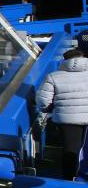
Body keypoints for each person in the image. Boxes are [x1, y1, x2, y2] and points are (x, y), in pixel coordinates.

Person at [36, 49, 88, 180]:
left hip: (67, 118)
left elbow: (42, 100)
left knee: (70, 149)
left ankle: (69, 178)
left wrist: (49, 109)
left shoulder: (54, 76)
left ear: (64, 60)